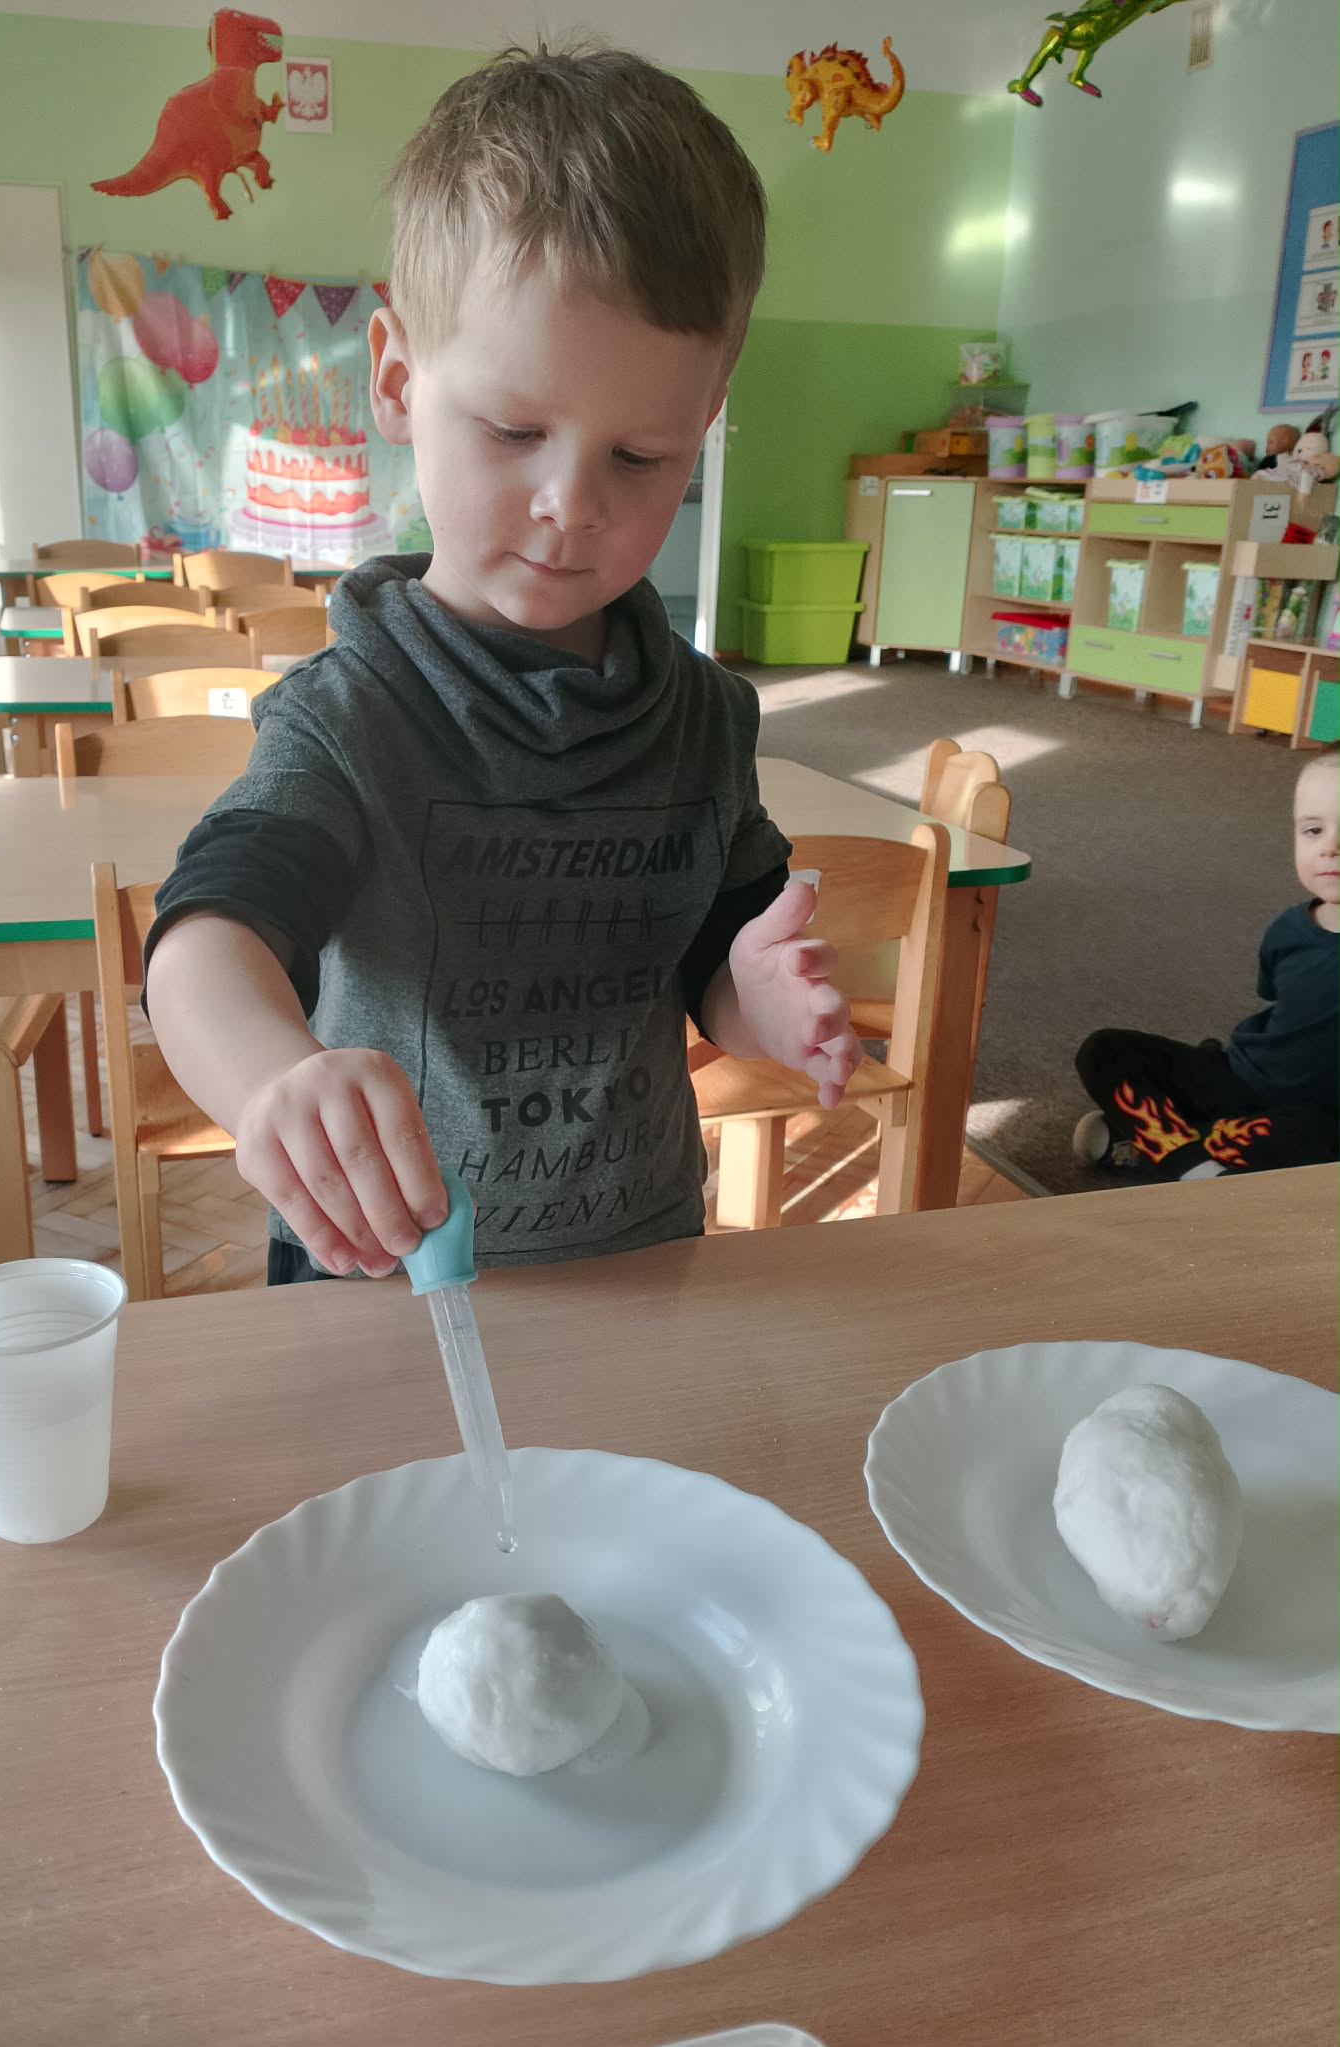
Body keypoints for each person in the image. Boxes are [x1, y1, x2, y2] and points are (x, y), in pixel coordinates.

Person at [144, 43, 861, 1284]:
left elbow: (710, 951)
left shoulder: (702, 717)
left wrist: (757, 996)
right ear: (397, 380)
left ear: (705, 425)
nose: (570, 505)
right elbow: (209, 935)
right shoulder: (350, 716)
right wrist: (270, 1082)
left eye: (640, 456)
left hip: (638, 1262)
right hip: (382, 1281)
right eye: (515, 429)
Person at [1072, 751, 1340, 1180]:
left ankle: (1155, 1149)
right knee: (1103, 1050)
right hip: (1238, 1079)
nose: (1330, 848)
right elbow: (1283, 1006)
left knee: (1316, 1142)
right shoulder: (1288, 930)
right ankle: (1197, 1166)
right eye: (1313, 831)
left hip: (1312, 1117)